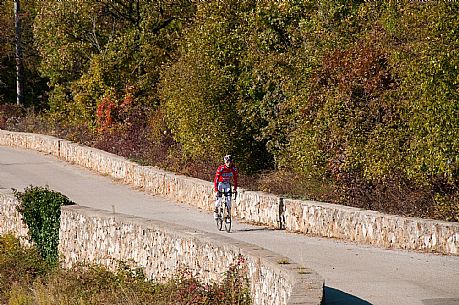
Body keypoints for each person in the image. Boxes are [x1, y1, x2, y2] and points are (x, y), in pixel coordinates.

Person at [213, 154, 238, 219]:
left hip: (227, 184)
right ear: (225, 162)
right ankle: (216, 210)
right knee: (219, 199)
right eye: (227, 162)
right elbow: (216, 179)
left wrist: (235, 189)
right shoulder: (221, 168)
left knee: (229, 200)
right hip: (220, 183)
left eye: (230, 162)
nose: (229, 163)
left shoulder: (234, 169)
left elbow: (235, 179)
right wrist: (216, 189)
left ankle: (228, 213)